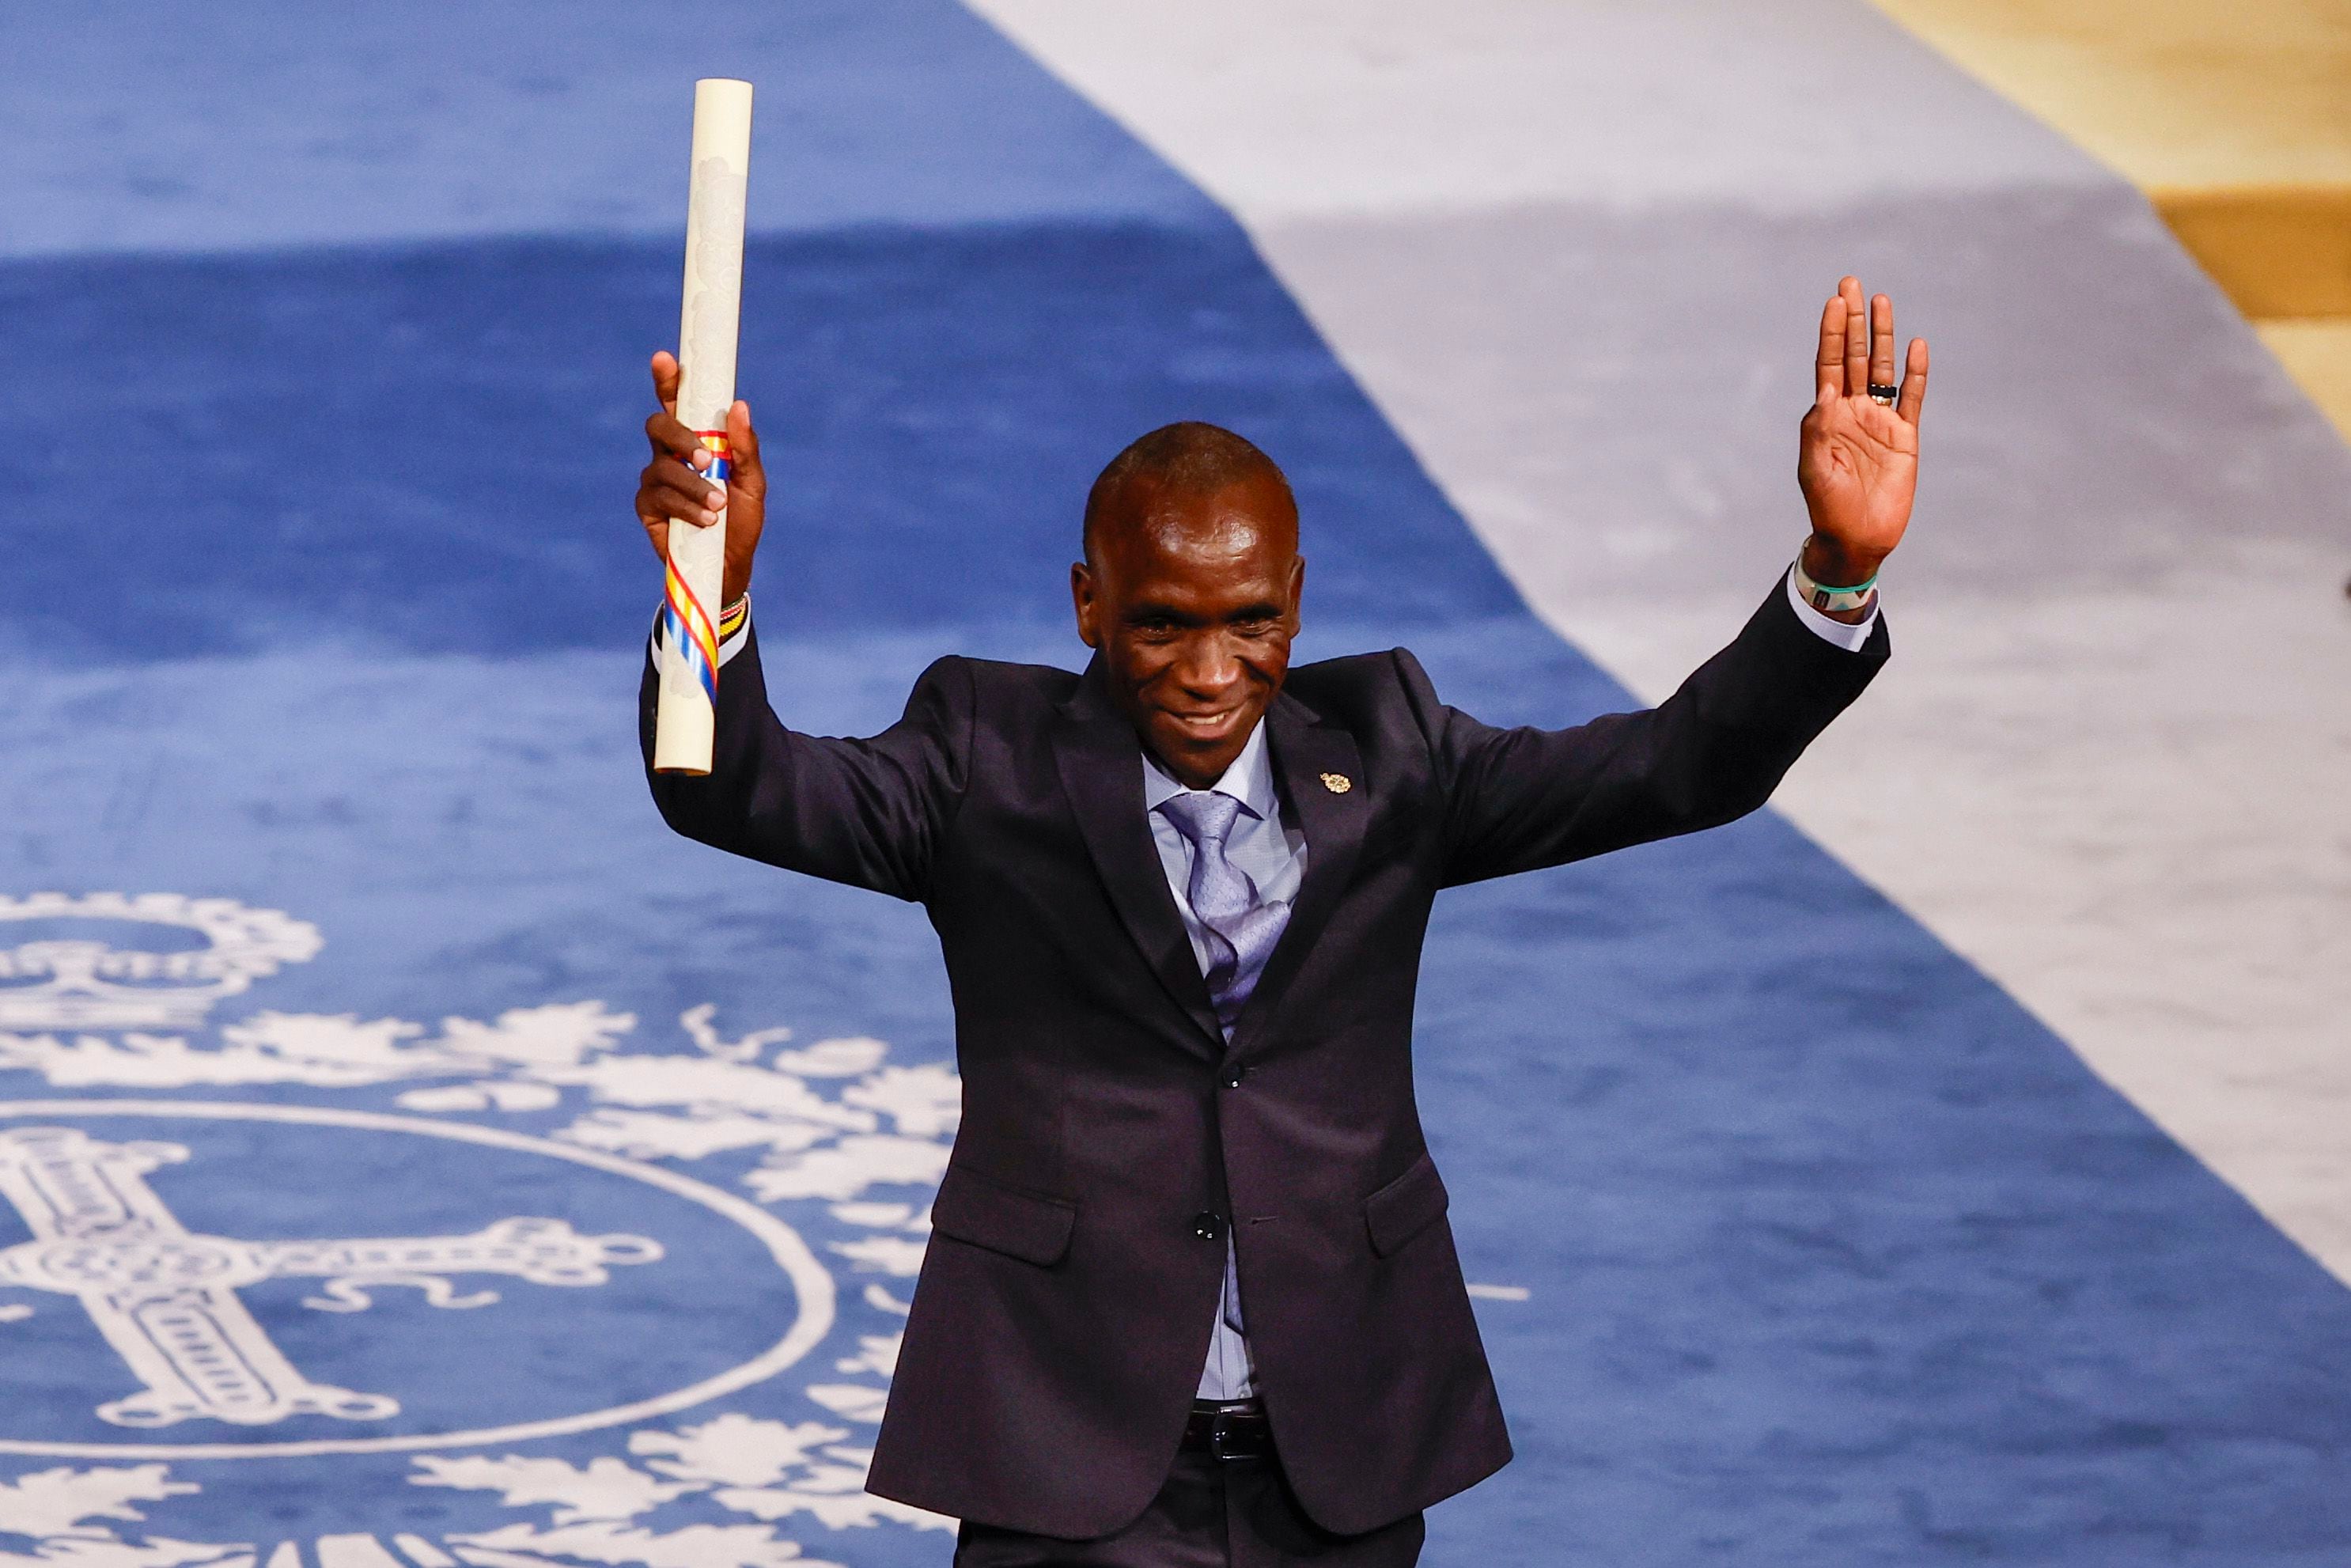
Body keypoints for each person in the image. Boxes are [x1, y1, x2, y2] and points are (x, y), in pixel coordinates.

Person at [634, 276, 1928, 1566]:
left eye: (1251, 622)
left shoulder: (1397, 747)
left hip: (1338, 1456)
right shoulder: (986, 756)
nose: (1209, 673)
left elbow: (1676, 767)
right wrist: (715, 589)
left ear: (1297, 601)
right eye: (1160, 624)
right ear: (1087, 604)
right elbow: (736, 789)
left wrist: (1837, 570)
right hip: (1067, 1448)